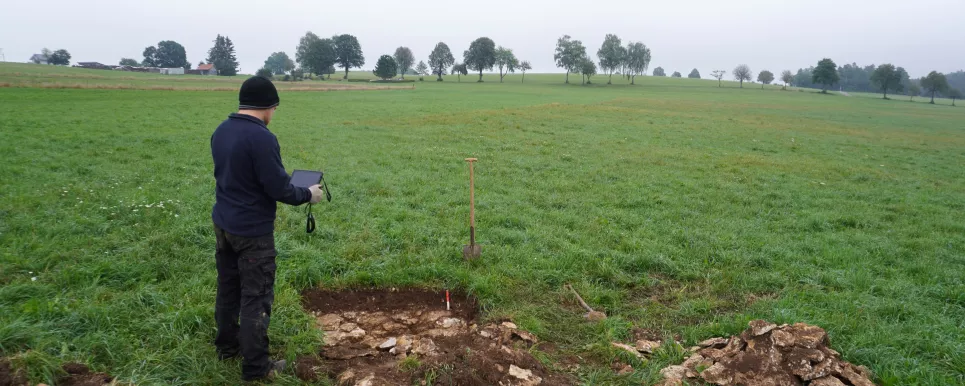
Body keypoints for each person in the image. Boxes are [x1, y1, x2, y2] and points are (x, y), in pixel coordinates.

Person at [210, 76, 323, 381]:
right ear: (269, 106)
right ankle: (257, 368)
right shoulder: (261, 138)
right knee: (256, 296)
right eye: (274, 108)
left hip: (223, 223)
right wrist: (307, 194)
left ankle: (227, 347)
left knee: (229, 288)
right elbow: (278, 188)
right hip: (251, 233)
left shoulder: (221, 131)